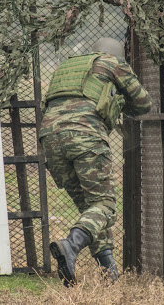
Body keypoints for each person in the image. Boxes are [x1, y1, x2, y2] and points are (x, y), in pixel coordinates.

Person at [39, 37, 152, 286]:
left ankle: (108, 274)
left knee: (91, 210)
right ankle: (71, 245)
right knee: (104, 203)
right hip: (84, 136)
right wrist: (122, 101)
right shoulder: (111, 62)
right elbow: (144, 103)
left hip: (49, 139)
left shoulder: (66, 67)